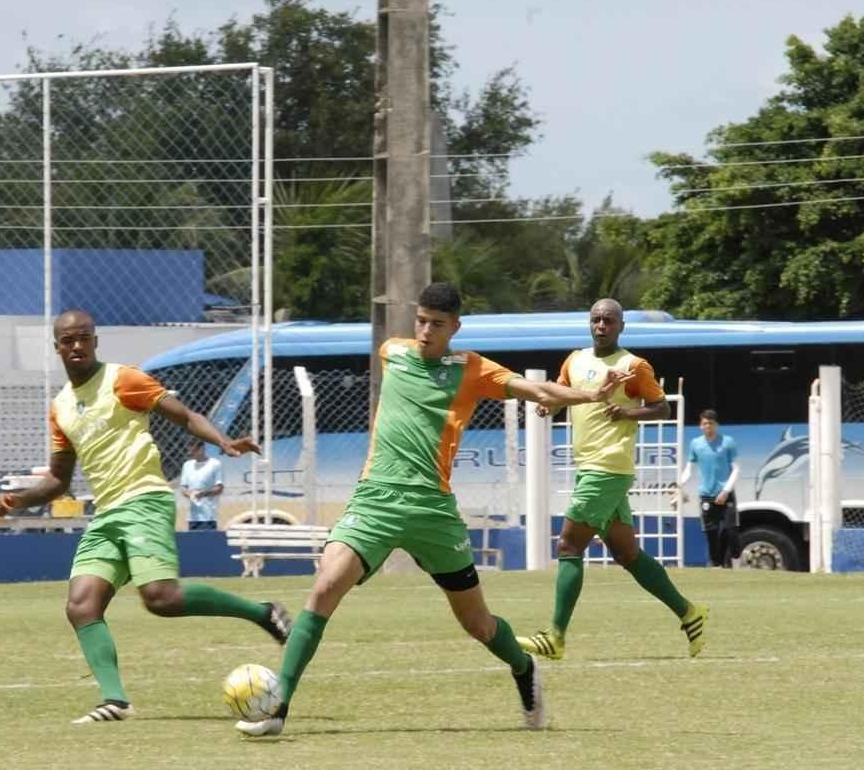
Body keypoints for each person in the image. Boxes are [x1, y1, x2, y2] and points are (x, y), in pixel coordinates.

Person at [235, 283, 634, 738]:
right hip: (376, 500)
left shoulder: (472, 368)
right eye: (421, 320)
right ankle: (279, 707)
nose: (425, 331)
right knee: (325, 587)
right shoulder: (393, 352)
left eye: (437, 324)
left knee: (478, 624)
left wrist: (591, 396)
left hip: (433, 511)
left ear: (455, 328)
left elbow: (538, 390)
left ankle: (524, 669)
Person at [0, 309, 292, 725]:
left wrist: (223, 442)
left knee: (161, 599)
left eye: (84, 338)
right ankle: (115, 701)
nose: (77, 346)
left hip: (144, 500)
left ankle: (262, 612)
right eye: (68, 340)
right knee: (81, 605)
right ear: (57, 347)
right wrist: (19, 499)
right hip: (108, 513)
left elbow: (186, 416)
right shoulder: (61, 407)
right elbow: (59, 481)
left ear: (95, 341)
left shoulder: (123, 380)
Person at [520, 299, 709, 664]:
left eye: (608, 320)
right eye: (595, 319)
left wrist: (626, 411)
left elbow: (662, 407)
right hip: (590, 466)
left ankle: (555, 636)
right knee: (627, 554)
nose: (601, 325)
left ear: (621, 326)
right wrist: (551, 406)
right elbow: (561, 393)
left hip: (607, 467)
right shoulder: (574, 360)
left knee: (568, 546)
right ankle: (689, 612)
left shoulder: (633, 365)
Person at [678, 409, 740, 568]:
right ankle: (716, 565)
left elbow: (736, 469)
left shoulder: (727, 442)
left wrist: (726, 491)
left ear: (716, 425)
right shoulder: (696, 444)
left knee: (731, 530)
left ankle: (736, 561)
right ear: (700, 425)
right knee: (711, 534)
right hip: (707, 495)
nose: (708, 426)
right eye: (705, 423)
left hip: (726, 494)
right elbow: (689, 469)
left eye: (711, 423)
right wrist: (679, 484)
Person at [178, 440, 223, 530]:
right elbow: (183, 489)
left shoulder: (215, 464)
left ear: (201, 449)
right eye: (189, 450)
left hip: (209, 516)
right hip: (192, 517)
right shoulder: (187, 465)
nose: (190, 453)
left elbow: (219, 488)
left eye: (193, 450)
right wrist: (191, 494)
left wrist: (203, 494)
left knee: (208, 542)